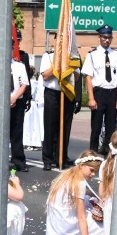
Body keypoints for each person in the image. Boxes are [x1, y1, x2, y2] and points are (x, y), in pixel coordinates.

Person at [45, 151, 105, 235]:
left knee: (89, 202)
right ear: (82, 166)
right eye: (91, 170)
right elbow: (81, 217)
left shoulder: (69, 174)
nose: (93, 174)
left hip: (55, 221)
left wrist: (91, 195)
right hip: (66, 223)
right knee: (102, 225)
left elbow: (78, 195)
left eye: (95, 172)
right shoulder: (79, 183)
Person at [82, 25, 117, 155]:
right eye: (104, 37)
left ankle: (107, 151)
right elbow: (88, 78)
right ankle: (92, 153)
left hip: (112, 93)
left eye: (109, 37)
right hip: (99, 93)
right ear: (99, 37)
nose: (107, 40)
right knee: (96, 126)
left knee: (111, 127)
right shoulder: (92, 55)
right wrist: (91, 98)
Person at [40, 42, 79, 171]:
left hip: (66, 93)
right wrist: (57, 65)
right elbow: (45, 76)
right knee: (50, 127)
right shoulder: (48, 56)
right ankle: (47, 159)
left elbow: (77, 76)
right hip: (52, 94)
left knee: (65, 127)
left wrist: (68, 65)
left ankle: (61, 157)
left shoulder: (72, 56)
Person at [9, 46, 30, 172]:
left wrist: (14, 98)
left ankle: (19, 160)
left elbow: (24, 84)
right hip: (1, 104)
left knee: (17, 132)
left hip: (17, 102)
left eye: (11, 49)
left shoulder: (19, 66)